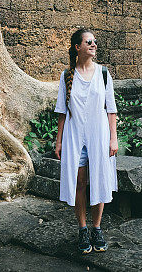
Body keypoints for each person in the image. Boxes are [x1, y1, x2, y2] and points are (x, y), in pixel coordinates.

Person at [54, 27, 118, 254]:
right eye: (88, 42)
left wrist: (113, 139)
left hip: (99, 135)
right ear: (77, 47)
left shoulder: (103, 73)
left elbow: (111, 110)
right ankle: (83, 229)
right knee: (80, 183)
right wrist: (59, 140)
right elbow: (62, 111)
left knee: (99, 180)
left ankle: (97, 228)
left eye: (95, 42)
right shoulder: (67, 76)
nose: (93, 45)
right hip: (74, 136)